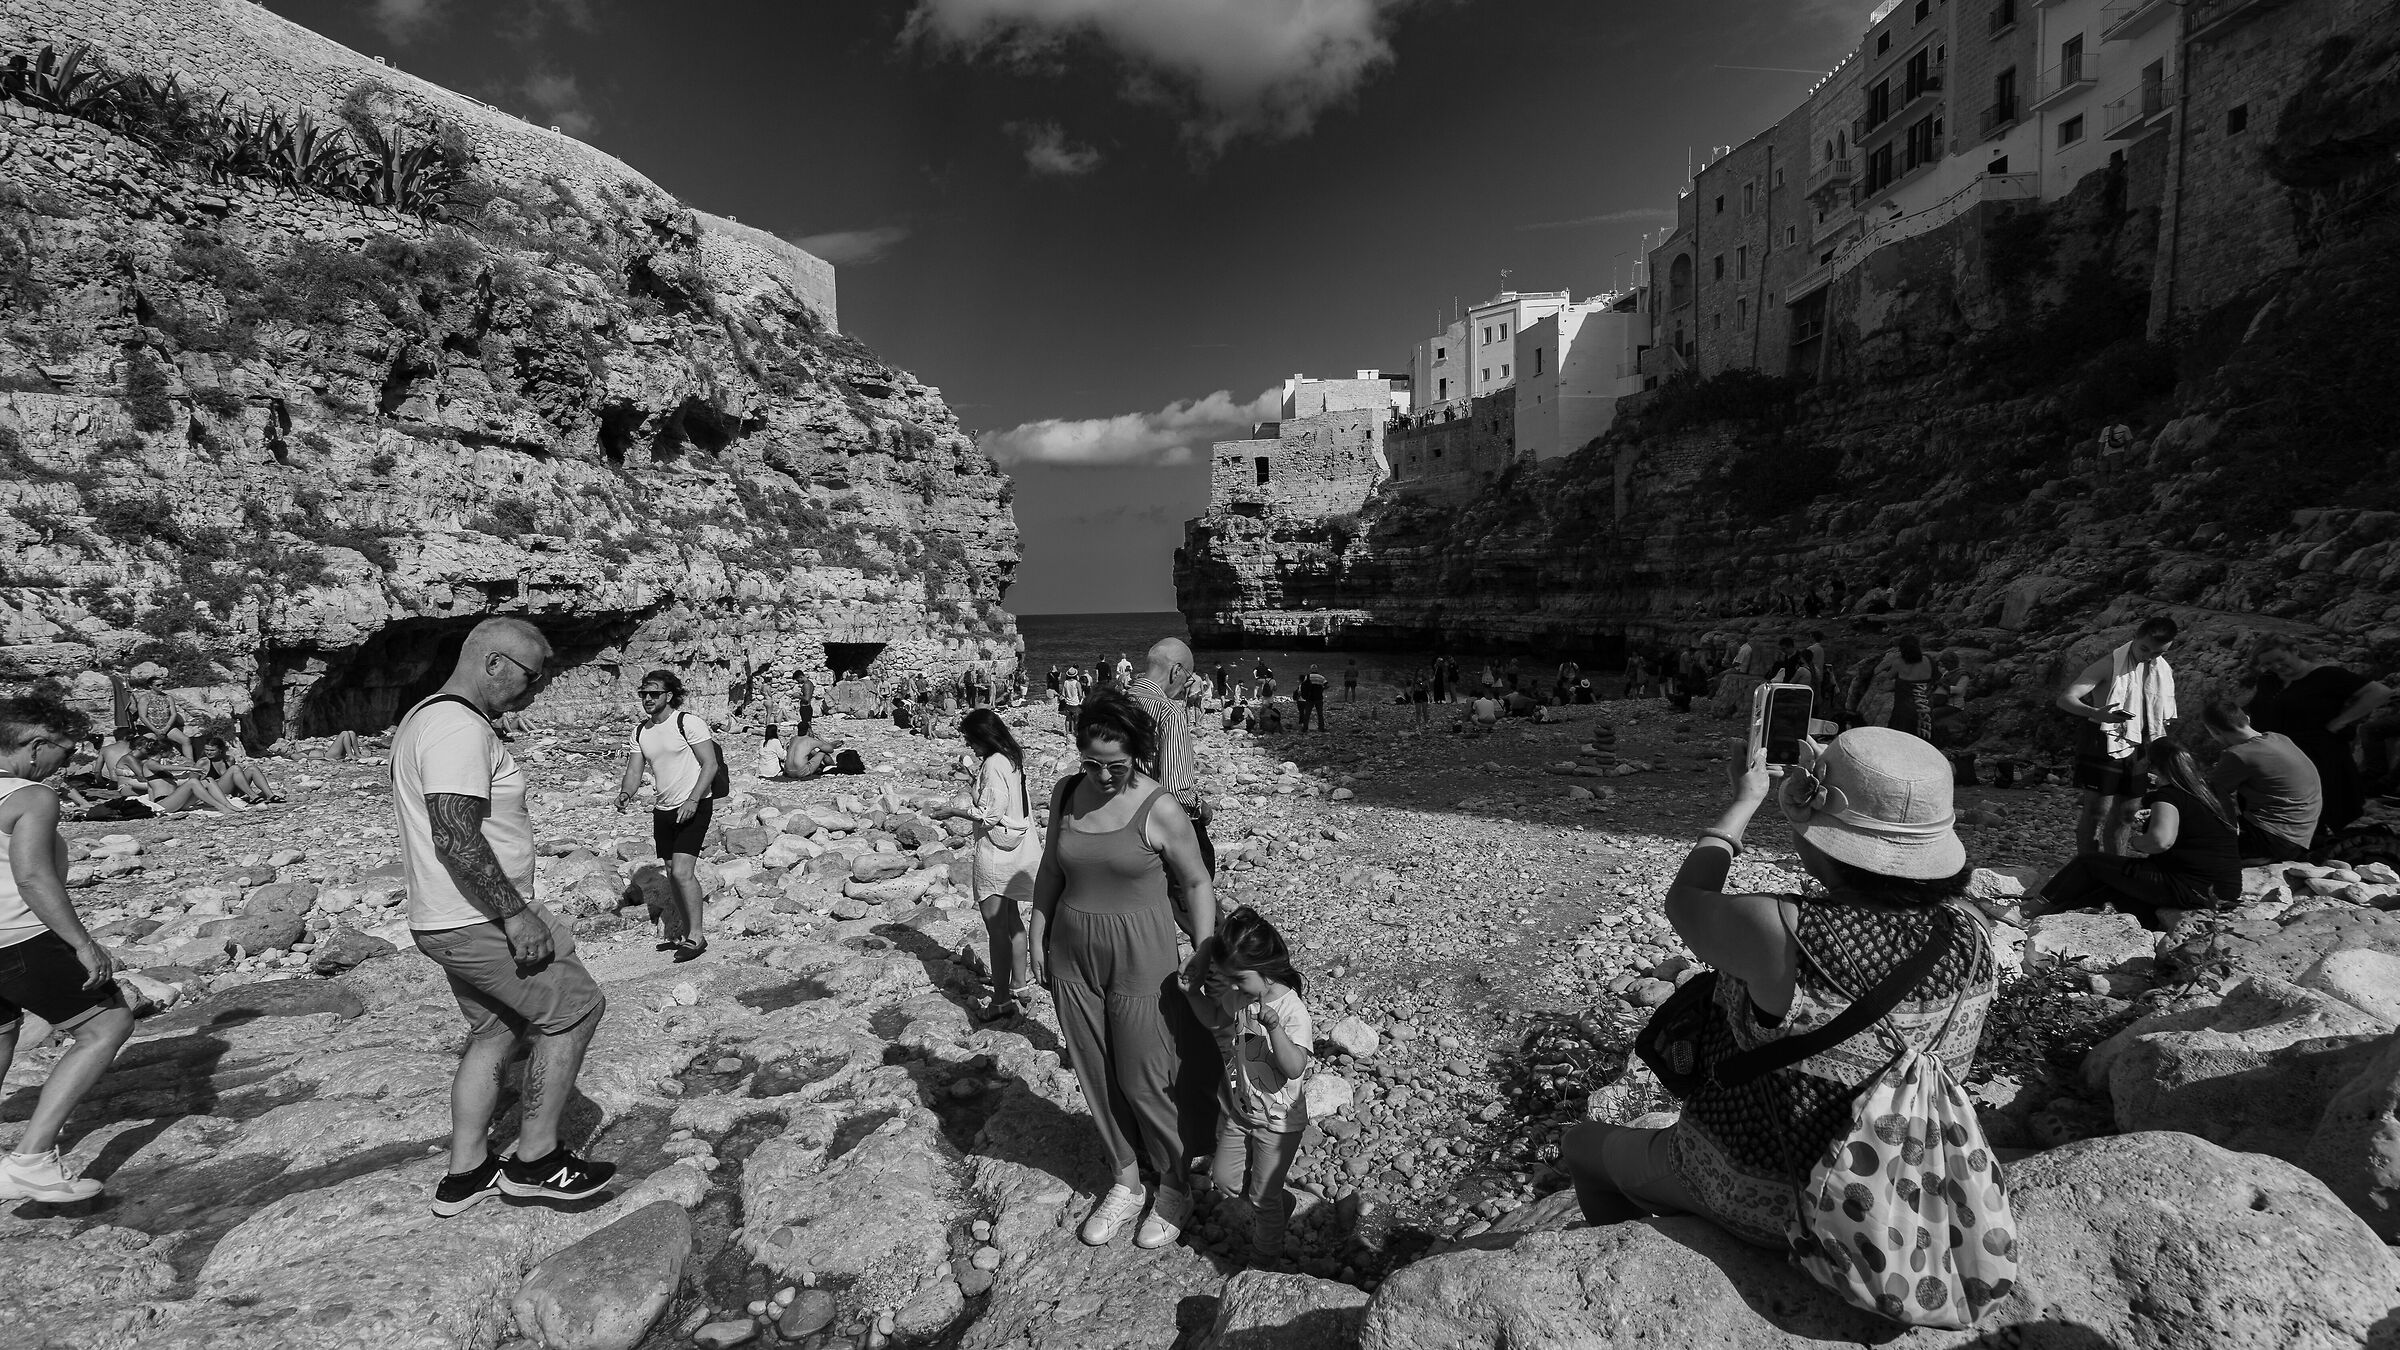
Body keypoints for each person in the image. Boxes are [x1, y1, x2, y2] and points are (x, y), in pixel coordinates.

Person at [1560, 727, 1996, 1248]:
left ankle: (1621, 1257)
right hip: (1903, 1195)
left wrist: (1745, 800)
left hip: (1774, 1195)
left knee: (1581, 1144)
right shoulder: (1970, 931)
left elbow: (1686, 898)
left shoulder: (1786, 929)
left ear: (1824, 838)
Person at [392, 618, 613, 1215]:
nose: (535, 691)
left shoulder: (425, 717)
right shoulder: (456, 729)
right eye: (532, 677)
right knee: (576, 1010)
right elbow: (456, 834)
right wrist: (516, 915)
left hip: (445, 918)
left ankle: (467, 1171)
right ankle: (536, 1161)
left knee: (496, 1030)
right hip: (480, 917)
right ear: (494, 664)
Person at [1030, 692, 1219, 1250]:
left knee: (1145, 1074)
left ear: (1138, 753)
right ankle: (1126, 1177)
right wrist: (1038, 934)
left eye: (1117, 764)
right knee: (1093, 1068)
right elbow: (1048, 870)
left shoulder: (1159, 807)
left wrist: (1204, 950)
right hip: (1072, 950)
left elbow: (1196, 883)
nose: (1104, 775)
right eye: (1093, 762)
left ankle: (1176, 1185)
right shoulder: (1065, 793)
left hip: (1143, 954)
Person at [0, 694, 136, 1202]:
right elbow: (33, 876)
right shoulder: (30, 796)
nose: (70, 762)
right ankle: (30, 1162)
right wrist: (82, 944)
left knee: (1, 1038)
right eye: (67, 750)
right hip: (17, 937)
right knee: (108, 1025)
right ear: (35, 746)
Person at [1183, 906, 1313, 1264]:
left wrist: (1274, 1029)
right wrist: (1193, 994)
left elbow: (1294, 1067)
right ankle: (1278, 1199)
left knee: (1261, 1199)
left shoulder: (1290, 1010)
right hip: (1242, 1111)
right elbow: (1214, 1017)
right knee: (1223, 1179)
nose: (1234, 988)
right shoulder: (1241, 997)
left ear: (1267, 967)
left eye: (1239, 978)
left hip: (1279, 1121)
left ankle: (1263, 1257)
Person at [2040, 738, 2242, 929]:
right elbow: (2212, 826)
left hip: (2186, 886)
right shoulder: (2213, 792)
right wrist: (2157, 814)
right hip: (2225, 888)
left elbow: (2161, 842)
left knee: (2088, 862)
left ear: (2153, 768)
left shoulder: (2167, 796)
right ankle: (2057, 914)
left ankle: (2030, 910)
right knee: (2110, 891)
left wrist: (2137, 842)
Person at [940, 710, 1042, 1021]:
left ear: (984, 736)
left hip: (995, 856)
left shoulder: (994, 763)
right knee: (1012, 922)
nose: (969, 745)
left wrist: (952, 811)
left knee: (996, 927)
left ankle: (1000, 1000)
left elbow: (989, 815)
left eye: (971, 739)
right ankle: (1020, 985)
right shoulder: (1011, 758)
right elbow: (1007, 800)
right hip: (1017, 850)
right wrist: (975, 780)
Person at [2246, 635, 2393, 844]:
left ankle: (2331, 851)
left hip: (2320, 753)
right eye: (2268, 663)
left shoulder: (2327, 676)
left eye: (2280, 659)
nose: (2276, 666)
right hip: (2281, 754)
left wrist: (2342, 721)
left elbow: (2379, 692)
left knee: (2327, 804)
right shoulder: (2270, 679)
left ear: (2295, 650)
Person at [618, 671, 720, 963]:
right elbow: (635, 770)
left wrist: (693, 799)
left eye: (653, 694)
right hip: (663, 809)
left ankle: (696, 936)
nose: (647, 699)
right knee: (672, 869)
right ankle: (688, 932)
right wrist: (626, 793)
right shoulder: (640, 731)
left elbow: (709, 764)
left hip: (694, 804)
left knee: (681, 872)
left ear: (669, 696)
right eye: (643, 694)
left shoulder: (688, 723)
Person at [2056, 617, 2178, 856]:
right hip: (2104, 739)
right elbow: (2066, 699)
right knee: (2097, 810)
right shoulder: (2108, 665)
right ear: (2135, 637)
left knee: (2128, 813)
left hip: (2141, 744)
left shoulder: (2161, 669)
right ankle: (2087, 867)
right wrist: (2094, 712)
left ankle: (2116, 867)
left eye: (2157, 652)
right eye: (2144, 648)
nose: (2148, 656)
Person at [2201, 700, 2322, 863]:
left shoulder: (2239, 754)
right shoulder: (2279, 738)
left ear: (2214, 732)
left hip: (2273, 841)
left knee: (2189, 835)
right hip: (2302, 835)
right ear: (2248, 719)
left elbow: (2208, 794)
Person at [197, 734, 283, 804]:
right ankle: (252, 796)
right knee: (235, 768)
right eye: (206, 750)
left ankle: (270, 795)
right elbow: (192, 782)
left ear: (220, 750)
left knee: (252, 769)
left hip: (233, 791)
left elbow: (234, 777)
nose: (208, 752)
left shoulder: (229, 759)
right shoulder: (203, 762)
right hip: (216, 793)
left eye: (212, 750)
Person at [1059, 666, 1086, 744]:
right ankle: (1074, 732)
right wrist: (1080, 700)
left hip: (1068, 702)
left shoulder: (1066, 682)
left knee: (1068, 718)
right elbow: (1080, 694)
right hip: (1075, 702)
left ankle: (1067, 733)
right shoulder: (1077, 683)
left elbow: (1063, 693)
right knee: (1075, 719)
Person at [1298, 666, 1329, 732]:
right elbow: (1327, 685)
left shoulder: (1307, 677)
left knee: (1307, 713)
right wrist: (1322, 689)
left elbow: (1303, 685)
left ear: (1310, 670)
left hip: (1310, 698)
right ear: (1317, 670)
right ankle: (1321, 727)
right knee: (1320, 713)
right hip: (1319, 697)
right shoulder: (1321, 677)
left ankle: (1305, 727)